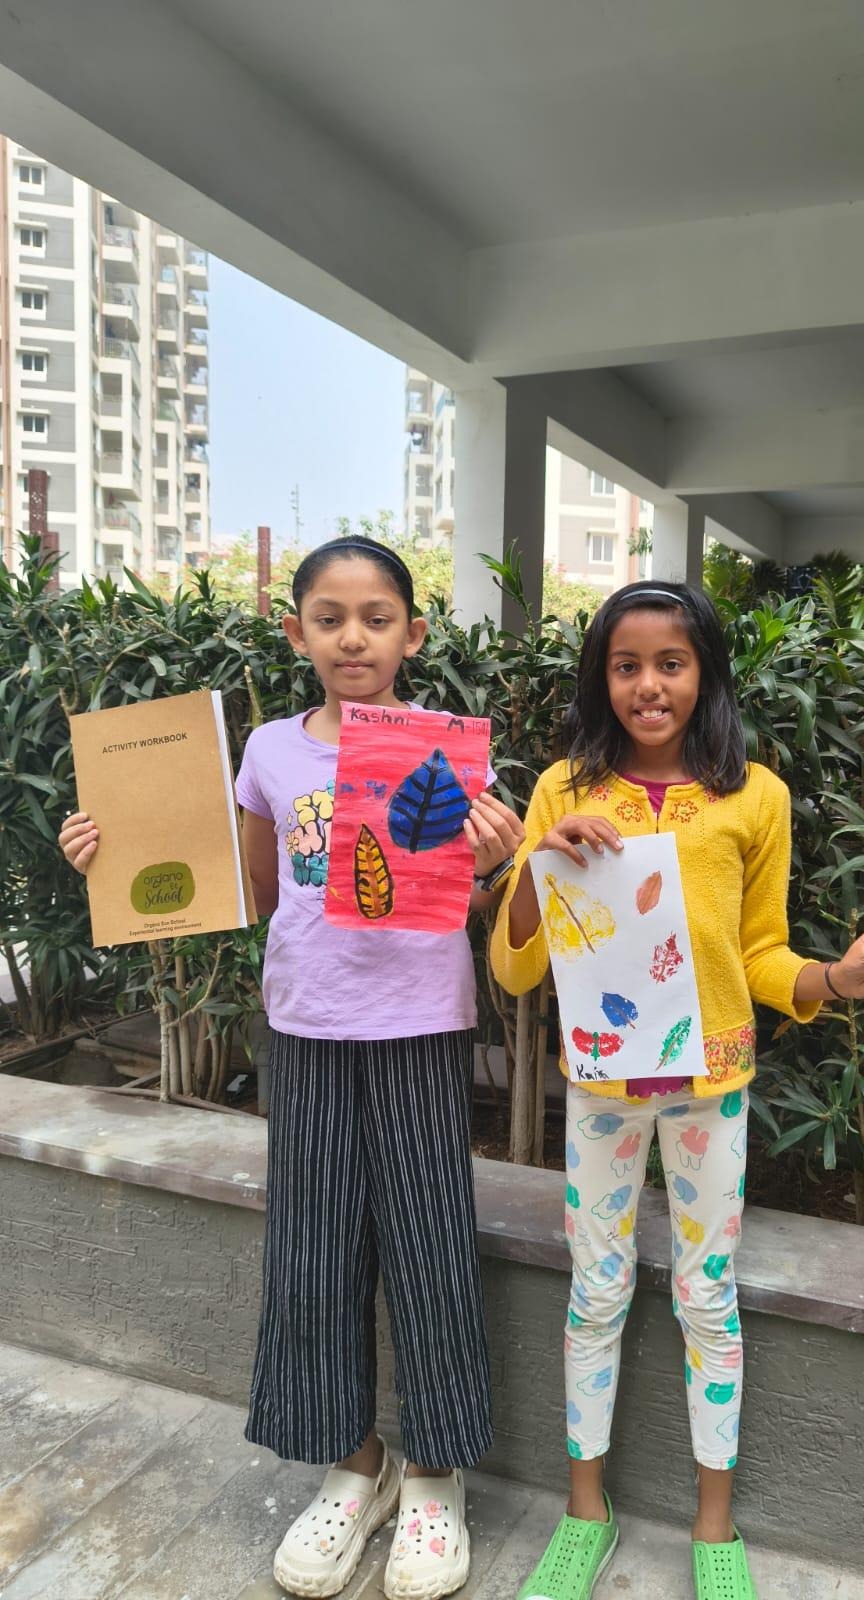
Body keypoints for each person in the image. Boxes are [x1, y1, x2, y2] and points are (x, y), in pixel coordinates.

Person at [59, 536, 525, 1600]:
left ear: (413, 634)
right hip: (306, 1027)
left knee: (429, 1246)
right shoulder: (269, 750)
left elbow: (476, 905)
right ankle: (353, 1465)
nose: (353, 637)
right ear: (296, 632)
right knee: (313, 1249)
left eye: (376, 618)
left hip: (419, 1027)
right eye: (329, 617)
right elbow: (250, 889)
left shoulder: (446, 750)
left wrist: (497, 863)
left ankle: (436, 1474)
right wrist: (113, 854)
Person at [490, 580, 864, 1600]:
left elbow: (760, 953)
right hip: (601, 1086)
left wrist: (833, 979)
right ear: (601, 678)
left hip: (710, 1087)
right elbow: (514, 967)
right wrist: (536, 866)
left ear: (705, 673)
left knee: (706, 1297)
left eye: (670, 664)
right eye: (626, 665)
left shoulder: (755, 797)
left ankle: (714, 1528)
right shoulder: (562, 789)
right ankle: (584, 1514)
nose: (649, 685)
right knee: (595, 1292)